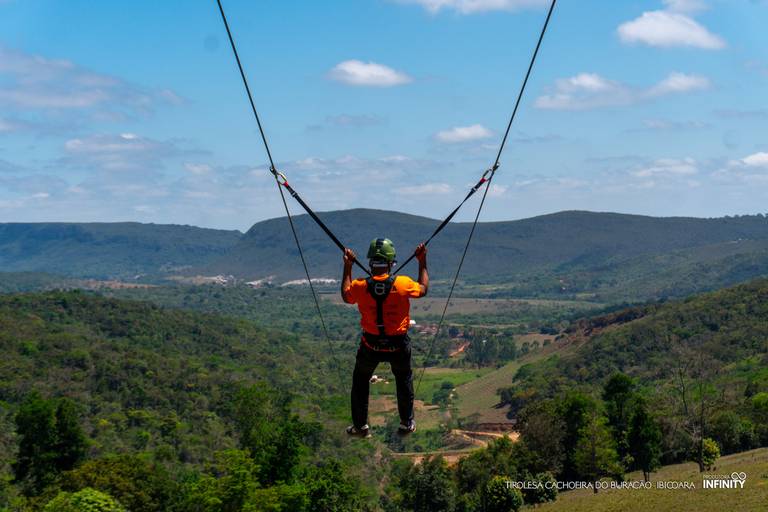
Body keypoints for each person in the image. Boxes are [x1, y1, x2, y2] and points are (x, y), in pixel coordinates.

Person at [341, 238, 428, 438]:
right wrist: (422, 261)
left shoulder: (360, 286)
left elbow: (346, 296)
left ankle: (360, 426)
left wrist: (348, 266)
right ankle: (407, 422)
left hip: (370, 345)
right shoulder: (403, 284)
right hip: (398, 345)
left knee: (361, 380)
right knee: (403, 378)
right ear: (390, 263)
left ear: (371, 261)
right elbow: (423, 288)